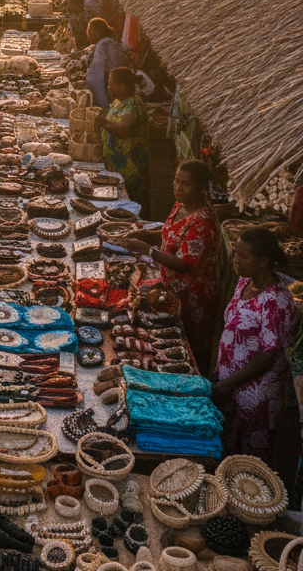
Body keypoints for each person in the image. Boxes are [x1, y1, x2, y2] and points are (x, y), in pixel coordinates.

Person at [121, 160, 221, 370]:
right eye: (176, 180)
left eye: (186, 184)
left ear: (202, 188)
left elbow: (184, 264)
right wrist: (146, 235)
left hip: (193, 296)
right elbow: (168, 234)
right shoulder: (181, 205)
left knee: (185, 349)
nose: (178, 187)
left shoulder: (203, 220)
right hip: (172, 287)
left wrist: (147, 250)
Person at [213, 228, 296, 462]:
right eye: (235, 253)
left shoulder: (277, 302)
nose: (235, 259)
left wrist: (227, 383)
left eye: (243, 255)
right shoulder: (244, 281)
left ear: (263, 261)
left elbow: (267, 355)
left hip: (254, 395)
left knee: (245, 463)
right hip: (229, 383)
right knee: (223, 449)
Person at [94, 66, 150, 209]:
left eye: (111, 84)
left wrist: (102, 121)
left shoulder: (134, 104)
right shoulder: (119, 101)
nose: (108, 87)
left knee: (130, 205)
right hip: (116, 167)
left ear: (123, 86)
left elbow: (122, 130)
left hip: (131, 167)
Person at [86, 18, 128, 108]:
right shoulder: (105, 43)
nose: (88, 34)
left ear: (97, 32)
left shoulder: (104, 44)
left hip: (114, 86)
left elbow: (96, 76)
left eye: (89, 31)